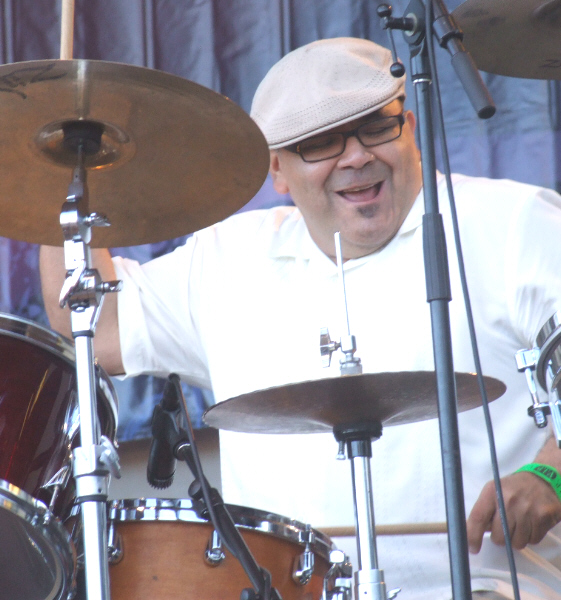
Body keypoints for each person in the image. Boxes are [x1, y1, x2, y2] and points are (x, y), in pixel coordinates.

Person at [40, 38, 561, 599]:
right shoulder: (228, 257)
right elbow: (96, 321)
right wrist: (58, 173)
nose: (357, 155)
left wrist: (551, 472)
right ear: (278, 172)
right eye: (321, 142)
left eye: (375, 127)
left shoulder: (510, 224)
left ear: (410, 127)